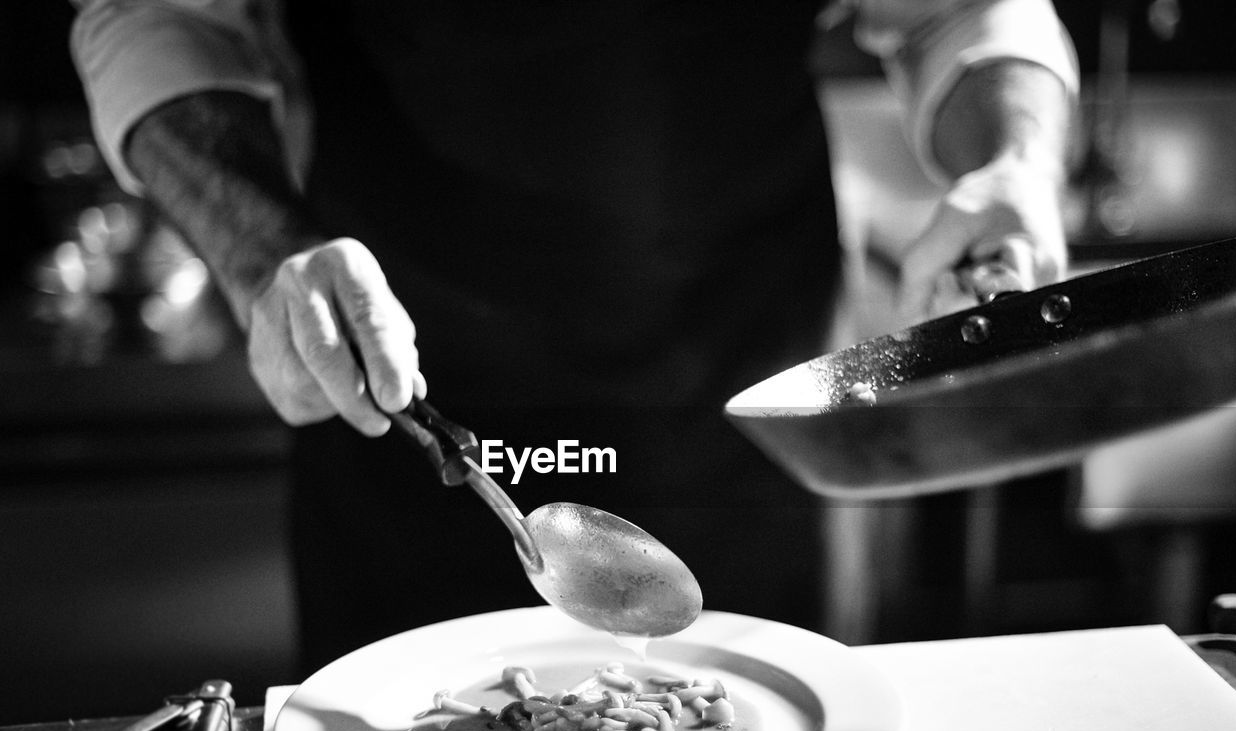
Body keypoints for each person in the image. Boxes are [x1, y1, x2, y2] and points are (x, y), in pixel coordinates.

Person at [70, 0, 1078, 672]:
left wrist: (1012, 163)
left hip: (747, 383)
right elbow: (159, 16)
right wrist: (262, 251)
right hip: (404, 383)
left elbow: (954, 9)